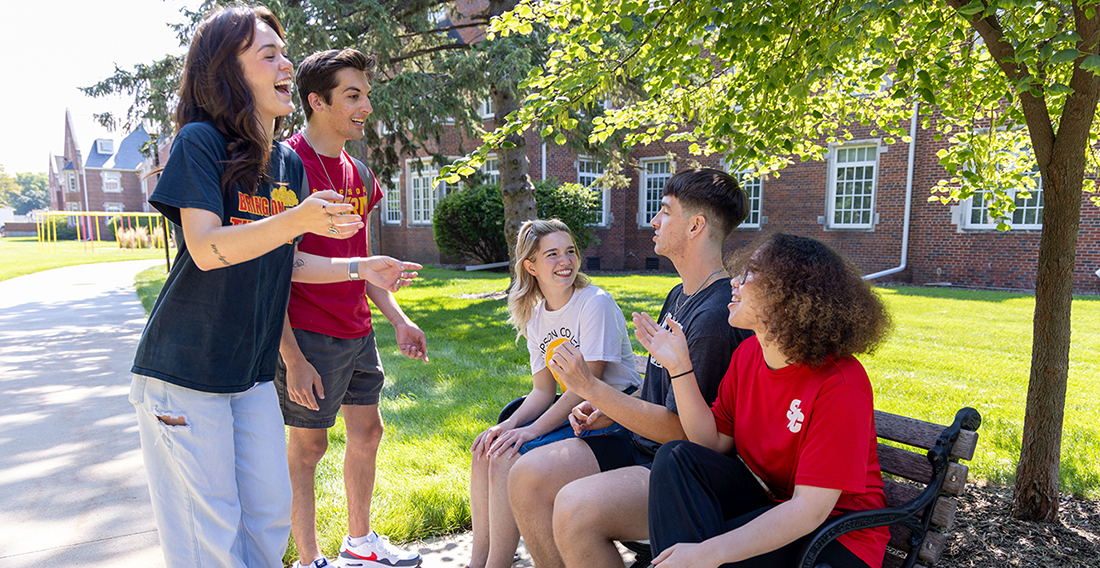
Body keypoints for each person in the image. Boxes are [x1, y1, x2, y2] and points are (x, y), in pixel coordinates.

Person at [128, 7, 420, 568]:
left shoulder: (286, 164)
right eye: (269, 54)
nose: (286, 63)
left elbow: (286, 261)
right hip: (186, 371)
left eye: (284, 52)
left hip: (252, 373)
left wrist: (360, 268)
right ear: (228, 73)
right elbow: (209, 248)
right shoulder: (201, 143)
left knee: (266, 518)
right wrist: (297, 221)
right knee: (207, 537)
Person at [510, 168, 754, 568]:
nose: (654, 221)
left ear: (695, 226)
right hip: (639, 447)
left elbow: (686, 433)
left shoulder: (713, 319)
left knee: (575, 509)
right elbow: (658, 391)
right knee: (527, 476)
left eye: (664, 211)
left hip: (678, 475)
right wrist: (605, 410)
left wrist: (591, 387)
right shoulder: (680, 294)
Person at [634, 233, 892, 568]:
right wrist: (680, 367)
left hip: (839, 536)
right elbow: (710, 443)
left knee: (707, 552)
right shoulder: (748, 354)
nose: (734, 282)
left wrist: (706, 554)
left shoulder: (840, 384)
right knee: (677, 457)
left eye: (749, 273)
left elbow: (809, 510)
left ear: (788, 295)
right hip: (779, 506)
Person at [277, 49, 426, 568]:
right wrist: (292, 357)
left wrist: (399, 318)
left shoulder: (359, 173)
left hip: (356, 331)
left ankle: (359, 543)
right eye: (353, 95)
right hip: (308, 334)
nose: (366, 106)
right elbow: (278, 268)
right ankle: (308, 557)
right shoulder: (285, 165)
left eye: (367, 94)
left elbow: (364, 263)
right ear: (317, 101)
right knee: (308, 448)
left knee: (368, 431)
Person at [468, 219, 643, 568]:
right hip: (575, 412)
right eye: (552, 254)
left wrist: (531, 431)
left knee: (507, 458)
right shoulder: (535, 315)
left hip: (613, 417)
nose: (564, 260)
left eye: (570, 251)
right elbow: (543, 390)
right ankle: (478, 561)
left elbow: (588, 384)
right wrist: (507, 426)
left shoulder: (594, 302)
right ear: (530, 266)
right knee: (488, 449)